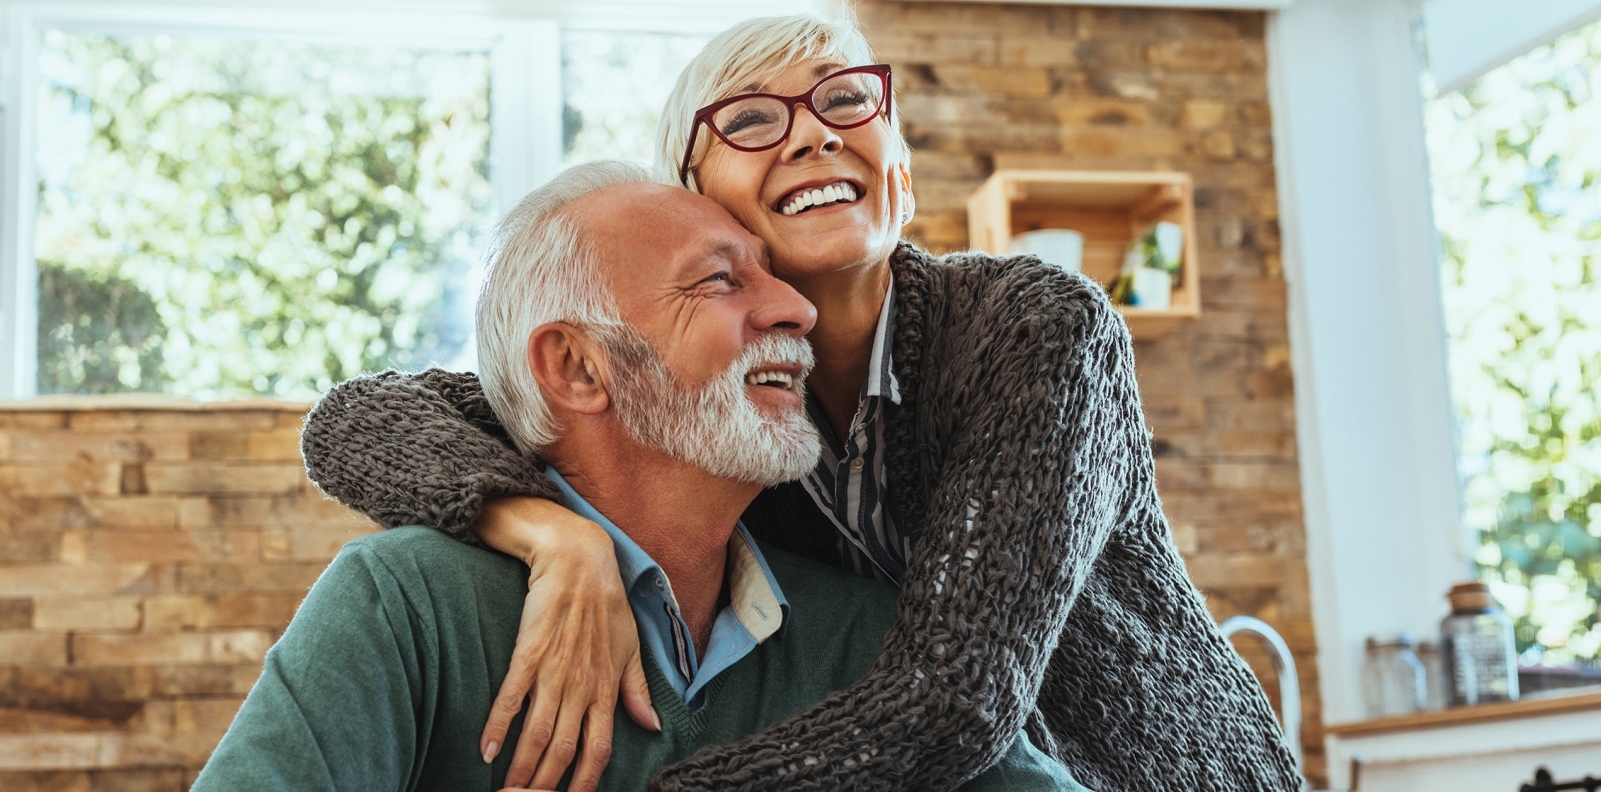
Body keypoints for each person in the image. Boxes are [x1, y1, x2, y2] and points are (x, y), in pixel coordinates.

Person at [299, 14, 1304, 792]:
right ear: (695, 196)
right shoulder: (718, 405)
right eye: (750, 120)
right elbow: (359, 418)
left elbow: (954, 701)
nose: (815, 135)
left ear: (899, 172)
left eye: (847, 103)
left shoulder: (1036, 330)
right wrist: (555, 536)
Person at [191, 161, 1087, 792]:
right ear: (579, 369)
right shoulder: (408, 606)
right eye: (719, 282)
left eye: (770, 275)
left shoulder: (870, 635)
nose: (795, 308)